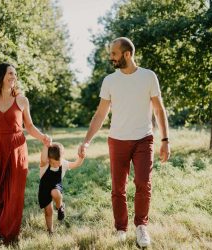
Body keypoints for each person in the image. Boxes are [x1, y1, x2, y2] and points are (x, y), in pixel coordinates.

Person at [78, 37, 170, 247]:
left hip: (143, 140)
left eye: (114, 54)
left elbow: (159, 109)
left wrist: (165, 139)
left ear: (127, 54)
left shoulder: (148, 77)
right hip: (117, 140)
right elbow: (100, 114)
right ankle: (121, 228)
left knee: (143, 183)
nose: (111, 57)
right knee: (118, 188)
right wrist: (86, 141)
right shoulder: (110, 81)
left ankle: (141, 227)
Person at [0, 62, 51, 244]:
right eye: (10, 73)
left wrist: (42, 137)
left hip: (17, 148)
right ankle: (5, 219)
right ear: (1, 76)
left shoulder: (22, 100)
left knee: (15, 192)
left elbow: (28, 126)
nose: (14, 77)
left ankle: (7, 235)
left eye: (15, 74)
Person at [39, 141, 84, 234]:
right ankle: (50, 231)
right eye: (53, 162)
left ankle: (60, 207)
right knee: (48, 211)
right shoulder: (45, 164)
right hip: (44, 189)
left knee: (55, 192)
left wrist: (81, 157)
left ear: (62, 157)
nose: (55, 165)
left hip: (56, 186)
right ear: (49, 158)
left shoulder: (63, 163)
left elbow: (75, 164)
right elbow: (43, 158)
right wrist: (46, 144)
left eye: (57, 162)